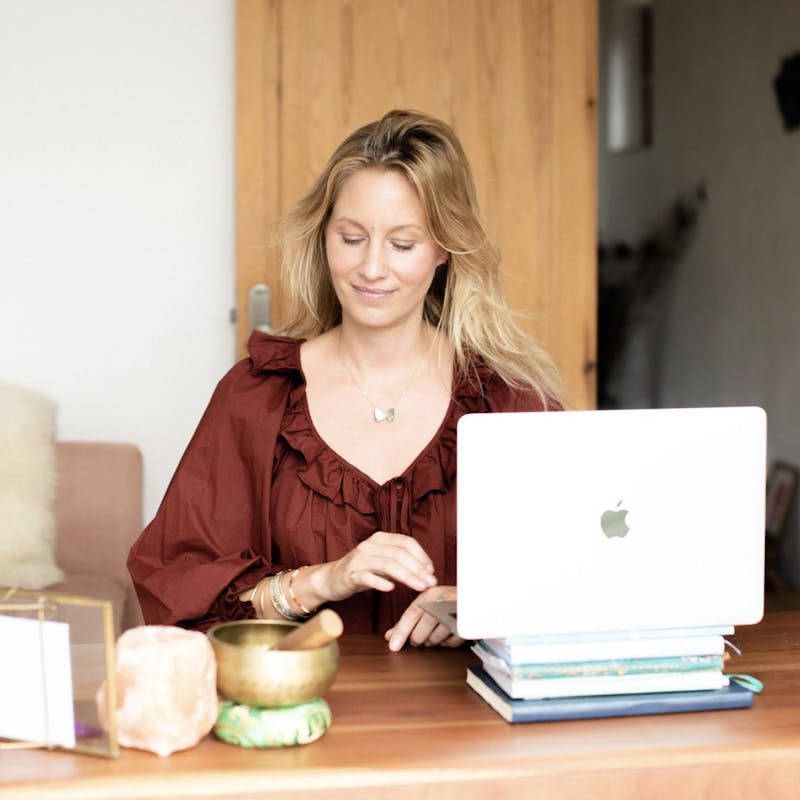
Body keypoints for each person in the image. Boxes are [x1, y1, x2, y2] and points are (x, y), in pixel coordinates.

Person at [128, 109, 563, 651]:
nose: (372, 268)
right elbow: (177, 592)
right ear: (324, 237)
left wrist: (475, 605)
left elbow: (578, 577)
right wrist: (323, 580)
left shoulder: (511, 401)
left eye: (403, 244)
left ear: (444, 250)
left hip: (470, 702)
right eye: (352, 238)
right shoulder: (255, 398)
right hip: (301, 701)